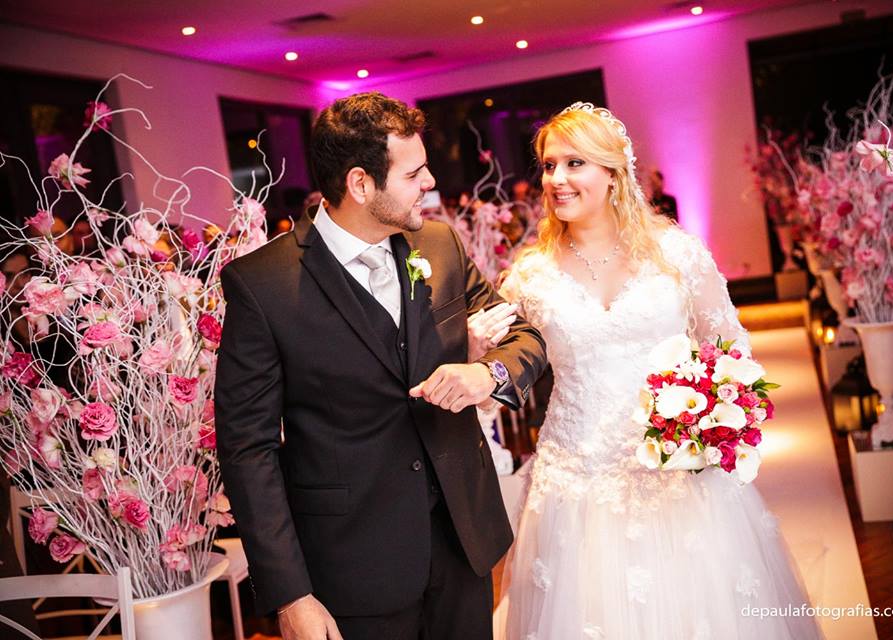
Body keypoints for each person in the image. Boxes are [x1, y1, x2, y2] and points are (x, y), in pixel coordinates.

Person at [214, 92, 548, 640]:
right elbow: (248, 449)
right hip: (352, 568)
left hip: (463, 544)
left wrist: (486, 374)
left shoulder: (438, 244)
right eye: (413, 173)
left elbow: (523, 336)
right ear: (360, 184)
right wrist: (290, 593)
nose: (430, 183)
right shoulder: (262, 285)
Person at [482, 103, 821, 639]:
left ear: (613, 172)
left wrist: (710, 417)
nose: (556, 179)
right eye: (548, 166)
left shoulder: (676, 254)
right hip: (577, 481)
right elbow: (497, 369)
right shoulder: (530, 277)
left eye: (574, 163)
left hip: (680, 475)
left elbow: (731, 349)